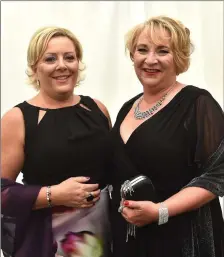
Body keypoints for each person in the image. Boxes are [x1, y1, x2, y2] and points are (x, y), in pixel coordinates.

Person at [109, 16, 224, 257]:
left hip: (180, 238)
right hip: (130, 240)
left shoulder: (198, 103)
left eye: (163, 51)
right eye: (142, 49)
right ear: (133, 55)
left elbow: (218, 174)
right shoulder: (126, 108)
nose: (150, 60)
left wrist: (161, 210)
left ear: (179, 58)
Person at [1, 26, 112, 257]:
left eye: (69, 57)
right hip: (49, 242)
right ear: (34, 68)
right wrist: (54, 194)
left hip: (106, 235)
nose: (62, 65)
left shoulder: (97, 108)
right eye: (50, 59)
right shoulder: (18, 118)